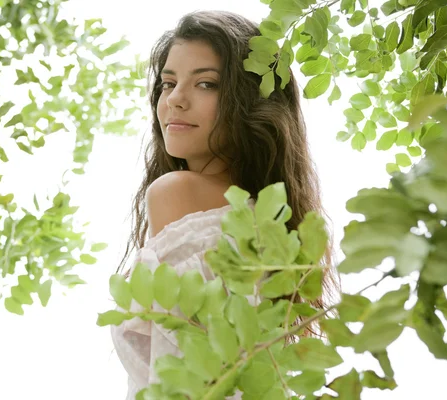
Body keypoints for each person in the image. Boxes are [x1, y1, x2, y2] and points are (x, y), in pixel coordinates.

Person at [110, 10, 338, 399]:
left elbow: (183, 374)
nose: (176, 99)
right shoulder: (271, 228)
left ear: (250, 102)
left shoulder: (176, 192)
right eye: (168, 83)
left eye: (206, 84)